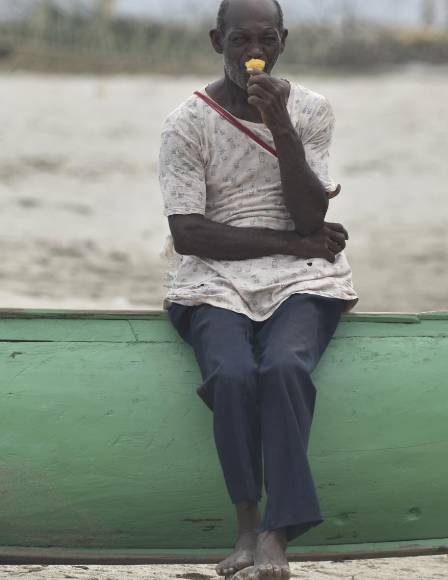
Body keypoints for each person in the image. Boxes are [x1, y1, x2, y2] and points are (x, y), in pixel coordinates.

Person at [157, 0, 358, 578]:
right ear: (216, 40)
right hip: (212, 282)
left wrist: (283, 127)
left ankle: (278, 532)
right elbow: (190, 234)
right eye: (240, 39)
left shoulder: (312, 111)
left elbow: (307, 214)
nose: (254, 52)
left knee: (284, 368)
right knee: (231, 374)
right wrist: (297, 244)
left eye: (266, 39)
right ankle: (246, 523)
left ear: (283, 40)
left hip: (304, 281)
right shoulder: (186, 123)